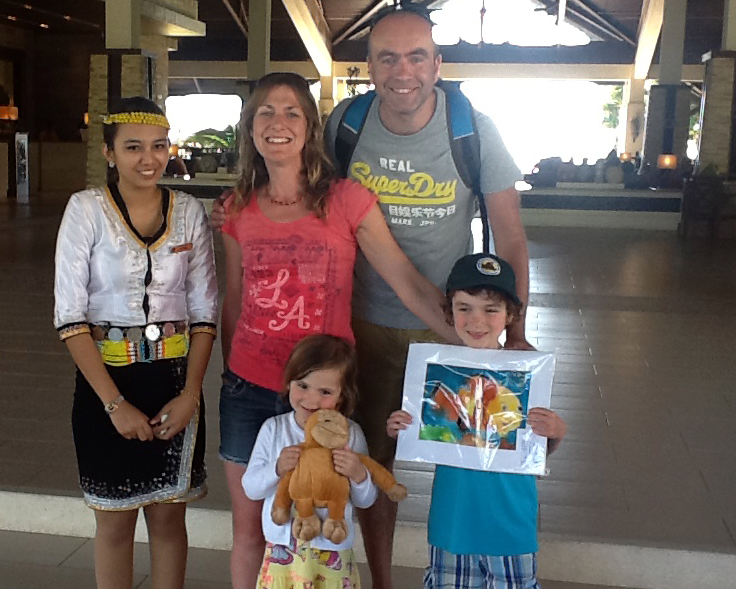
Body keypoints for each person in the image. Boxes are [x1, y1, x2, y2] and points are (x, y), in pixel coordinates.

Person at [219, 72, 457, 589]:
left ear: (310, 127)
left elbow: (407, 284)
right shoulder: (237, 208)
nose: (277, 124)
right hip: (248, 389)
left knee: (323, 523)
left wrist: (474, 342)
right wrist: (226, 379)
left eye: (291, 113)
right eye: (264, 112)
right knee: (252, 528)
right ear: (250, 128)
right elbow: (233, 304)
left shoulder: (347, 201)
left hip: (323, 398)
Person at [321, 6, 533, 587]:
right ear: (368, 67)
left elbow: (511, 235)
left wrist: (511, 333)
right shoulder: (346, 124)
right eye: (387, 57)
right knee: (371, 462)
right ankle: (385, 580)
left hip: (452, 327)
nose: (403, 70)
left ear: (438, 64)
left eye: (417, 56)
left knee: (468, 463)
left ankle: (466, 573)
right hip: (365, 324)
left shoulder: (471, 128)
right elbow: (305, 194)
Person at [53, 96, 218, 589]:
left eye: (159, 145)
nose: (149, 158)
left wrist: (191, 395)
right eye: (133, 147)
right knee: (116, 520)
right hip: (107, 384)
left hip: (174, 383)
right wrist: (114, 404)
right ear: (109, 153)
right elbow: (70, 316)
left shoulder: (188, 212)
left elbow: (206, 311)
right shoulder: (85, 210)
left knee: (169, 519)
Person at [386, 253, 566, 589]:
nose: (475, 320)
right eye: (464, 307)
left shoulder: (523, 372)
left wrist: (555, 431)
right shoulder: (436, 372)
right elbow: (428, 433)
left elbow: (536, 444)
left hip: (509, 521)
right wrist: (402, 428)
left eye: (491, 309)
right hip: (452, 520)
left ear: (510, 315)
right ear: (450, 311)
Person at [242, 334, 376, 589]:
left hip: (333, 551)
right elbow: (251, 488)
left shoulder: (350, 433)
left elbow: (366, 500)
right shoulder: (274, 429)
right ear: (289, 382)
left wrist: (358, 474)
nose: (311, 400)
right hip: (283, 551)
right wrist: (277, 468)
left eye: (325, 392)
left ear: (342, 395)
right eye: (302, 385)